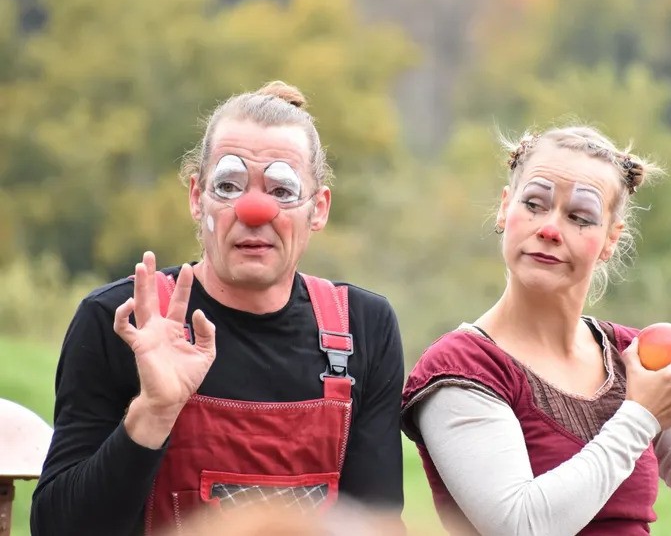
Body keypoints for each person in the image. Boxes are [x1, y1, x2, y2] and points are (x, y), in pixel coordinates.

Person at [31, 81, 405, 536]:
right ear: (196, 197)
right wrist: (153, 412)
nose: (254, 209)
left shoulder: (364, 328)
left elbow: (376, 526)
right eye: (228, 186)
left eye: (282, 190)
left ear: (319, 208)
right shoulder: (121, 320)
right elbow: (57, 528)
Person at [401, 126, 671, 535]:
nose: (550, 229)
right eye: (534, 204)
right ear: (506, 209)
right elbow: (521, 526)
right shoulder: (463, 368)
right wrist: (642, 416)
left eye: (579, 217)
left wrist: (651, 402)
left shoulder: (638, 359)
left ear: (610, 239)